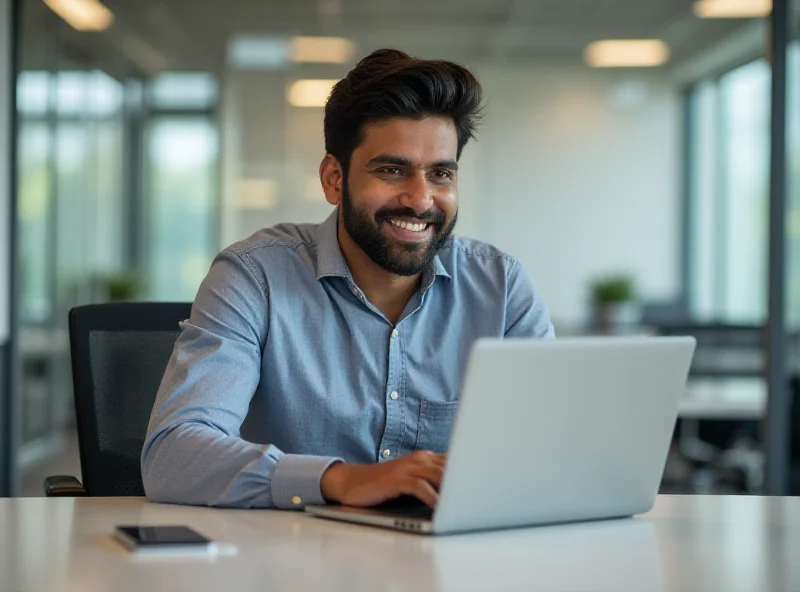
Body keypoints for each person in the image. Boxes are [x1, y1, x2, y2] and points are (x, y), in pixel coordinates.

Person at [141, 48, 554, 511]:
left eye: (440, 174)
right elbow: (172, 456)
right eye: (392, 170)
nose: (420, 200)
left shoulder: (503, 290)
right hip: (290, 562)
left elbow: (554, 453)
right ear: (334, 179)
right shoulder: (254, 276)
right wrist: (338, 480)